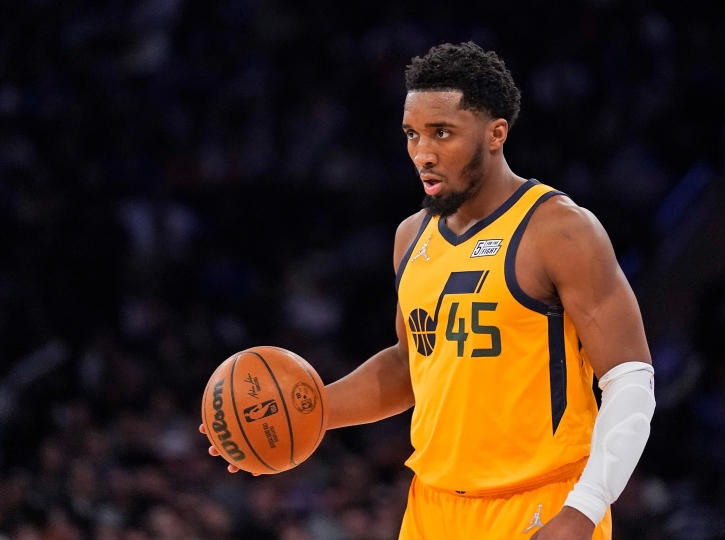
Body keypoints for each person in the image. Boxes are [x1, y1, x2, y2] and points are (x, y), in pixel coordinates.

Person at [202, 42, 656, 539]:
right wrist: (304, 413)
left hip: (539, 504)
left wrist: (584, 508)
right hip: (432, 508)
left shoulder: (559, 230)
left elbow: (631, 382)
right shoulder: (410, 236)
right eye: (412, 134)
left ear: (495, 134)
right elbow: (410, 365)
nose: (423, 153)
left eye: (442, 133)